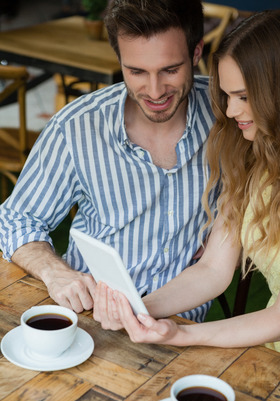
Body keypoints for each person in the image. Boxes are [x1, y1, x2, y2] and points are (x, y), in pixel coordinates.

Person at [0, 0, 218, 324]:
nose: (155, 91)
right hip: (91, 316)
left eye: (170, 69)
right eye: (137, 71)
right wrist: (54, 271)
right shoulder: (76, 127)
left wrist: (227, 229)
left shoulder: (229, 114)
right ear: (119, 60)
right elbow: (16, 219)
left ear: (197, 52)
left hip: (182, 327)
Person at [105, 9, 280, 358]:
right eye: (226, 96)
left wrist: (181, 335)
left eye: (242, 97)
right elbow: (213, 269)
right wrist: (141, 309)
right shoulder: (254, 156)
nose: (228, 111)